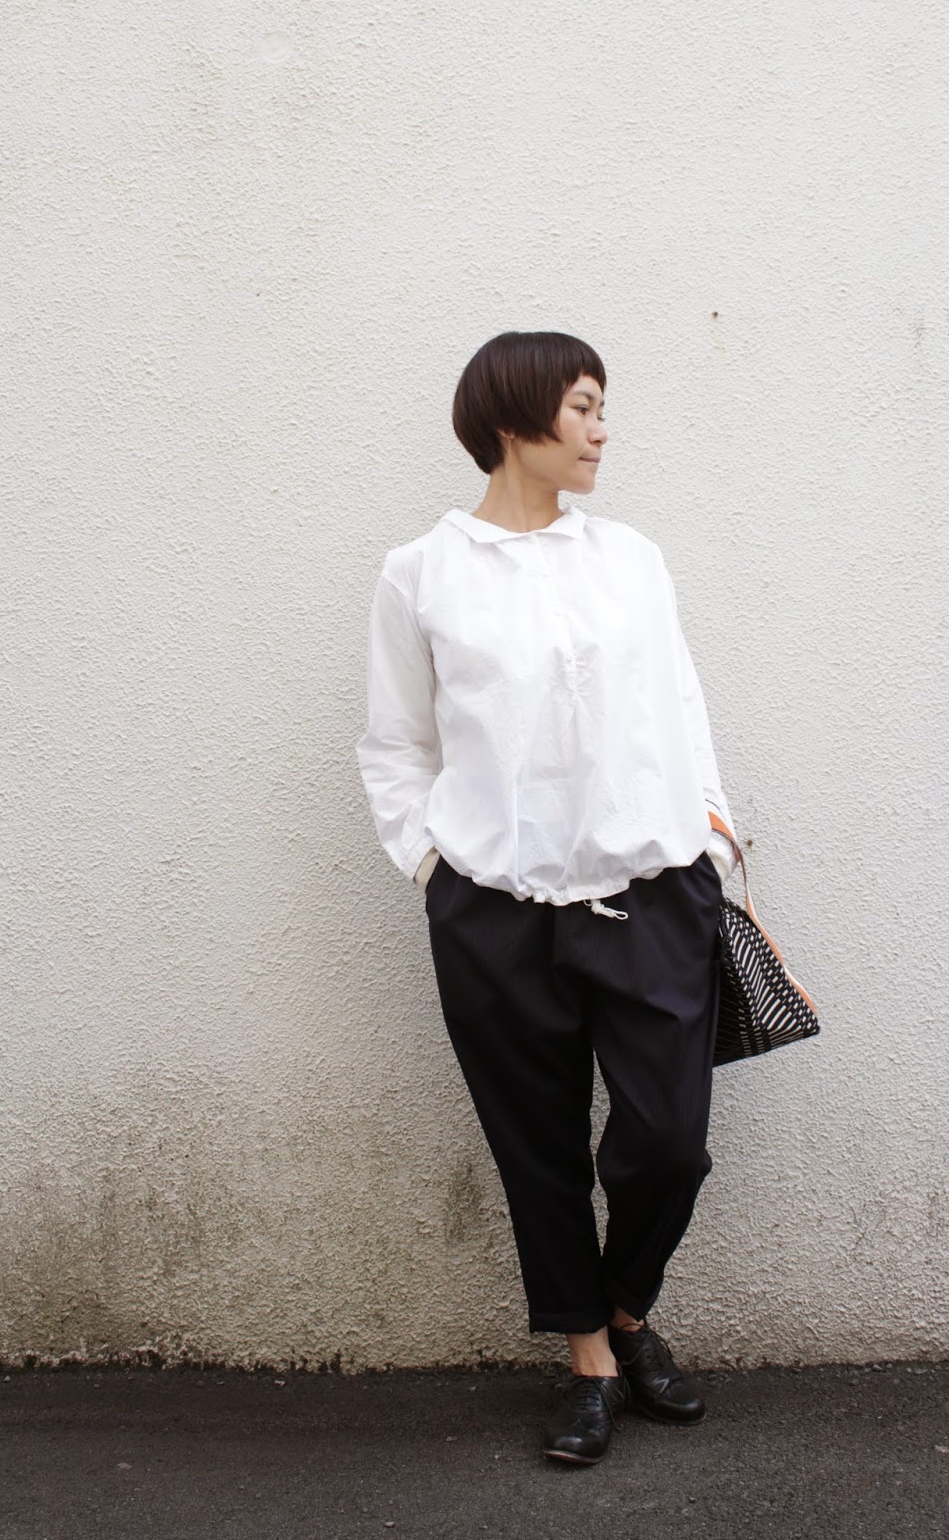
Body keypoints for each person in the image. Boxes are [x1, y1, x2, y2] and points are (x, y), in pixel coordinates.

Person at [355, 330, 737, 1467]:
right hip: (497, 912)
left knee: (668, 1144)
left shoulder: (631, 559)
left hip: (649, 893)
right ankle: (591, 1362)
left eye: (600, 406)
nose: (601, 430)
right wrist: (433, 866)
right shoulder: (420, 574)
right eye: (582, 407)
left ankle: (624, 1309)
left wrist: (713, 833)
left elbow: (680, 702)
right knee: (538, 1149)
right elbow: (395, 743)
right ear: (515, 418)